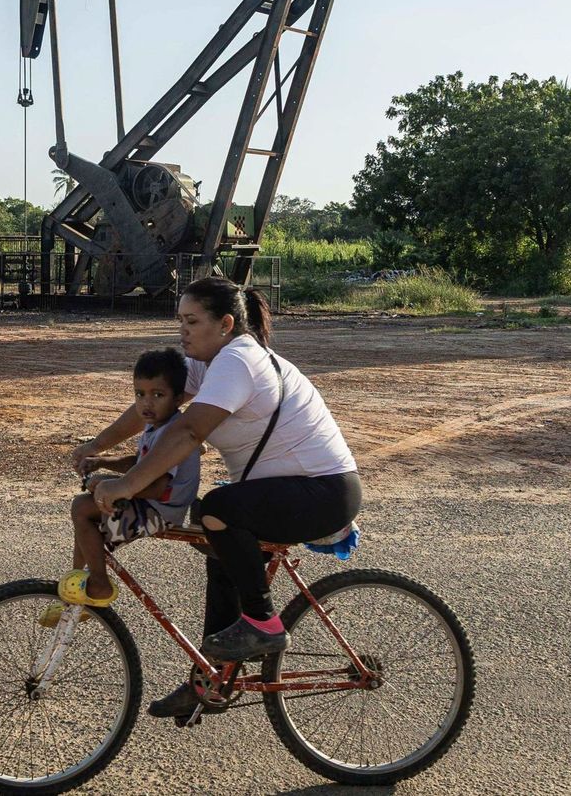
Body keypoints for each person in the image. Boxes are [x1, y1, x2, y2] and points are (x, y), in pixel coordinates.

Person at [72, 276, 361, 720]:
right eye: (179, 321)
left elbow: (190, 431)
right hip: (294, 490)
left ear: (225, 324)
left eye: (191, 321)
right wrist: (97, 445)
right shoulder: (209, 362)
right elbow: (155, 407)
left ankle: (264, 623)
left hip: (322, 491)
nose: (182, 332)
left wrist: (126, 485)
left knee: (220, 510)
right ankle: (212, 679)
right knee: (217, 539)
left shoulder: (238, 361)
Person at [44, 348, 202, 627]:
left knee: (82, 508)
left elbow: (156, 486)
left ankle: (98, 586)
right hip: (152, 504)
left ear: (179, 398)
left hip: (161, 510)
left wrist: (110, 485)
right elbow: (139, 464)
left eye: (158, 395)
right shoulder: (158, 425)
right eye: (139, 394)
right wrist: (102, 462)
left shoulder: (174, 432)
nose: (146, 403)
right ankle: (78, 590)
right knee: (87, 514)